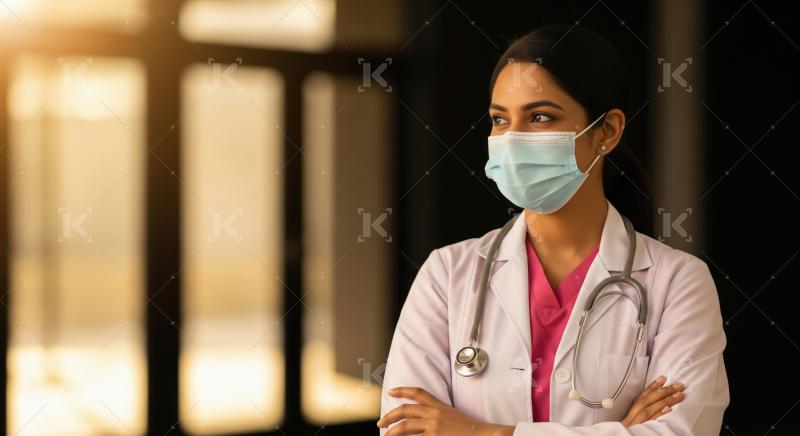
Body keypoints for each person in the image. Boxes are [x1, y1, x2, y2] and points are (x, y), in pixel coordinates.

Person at [377, 25, 729, 435]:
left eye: (540, 117)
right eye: (499, 119)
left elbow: (683, 432)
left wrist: (480, 431)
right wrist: (622, 429)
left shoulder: (678, 282)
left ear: (607, 131)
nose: (512, 138)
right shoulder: (446, 274)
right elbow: (405, 428)